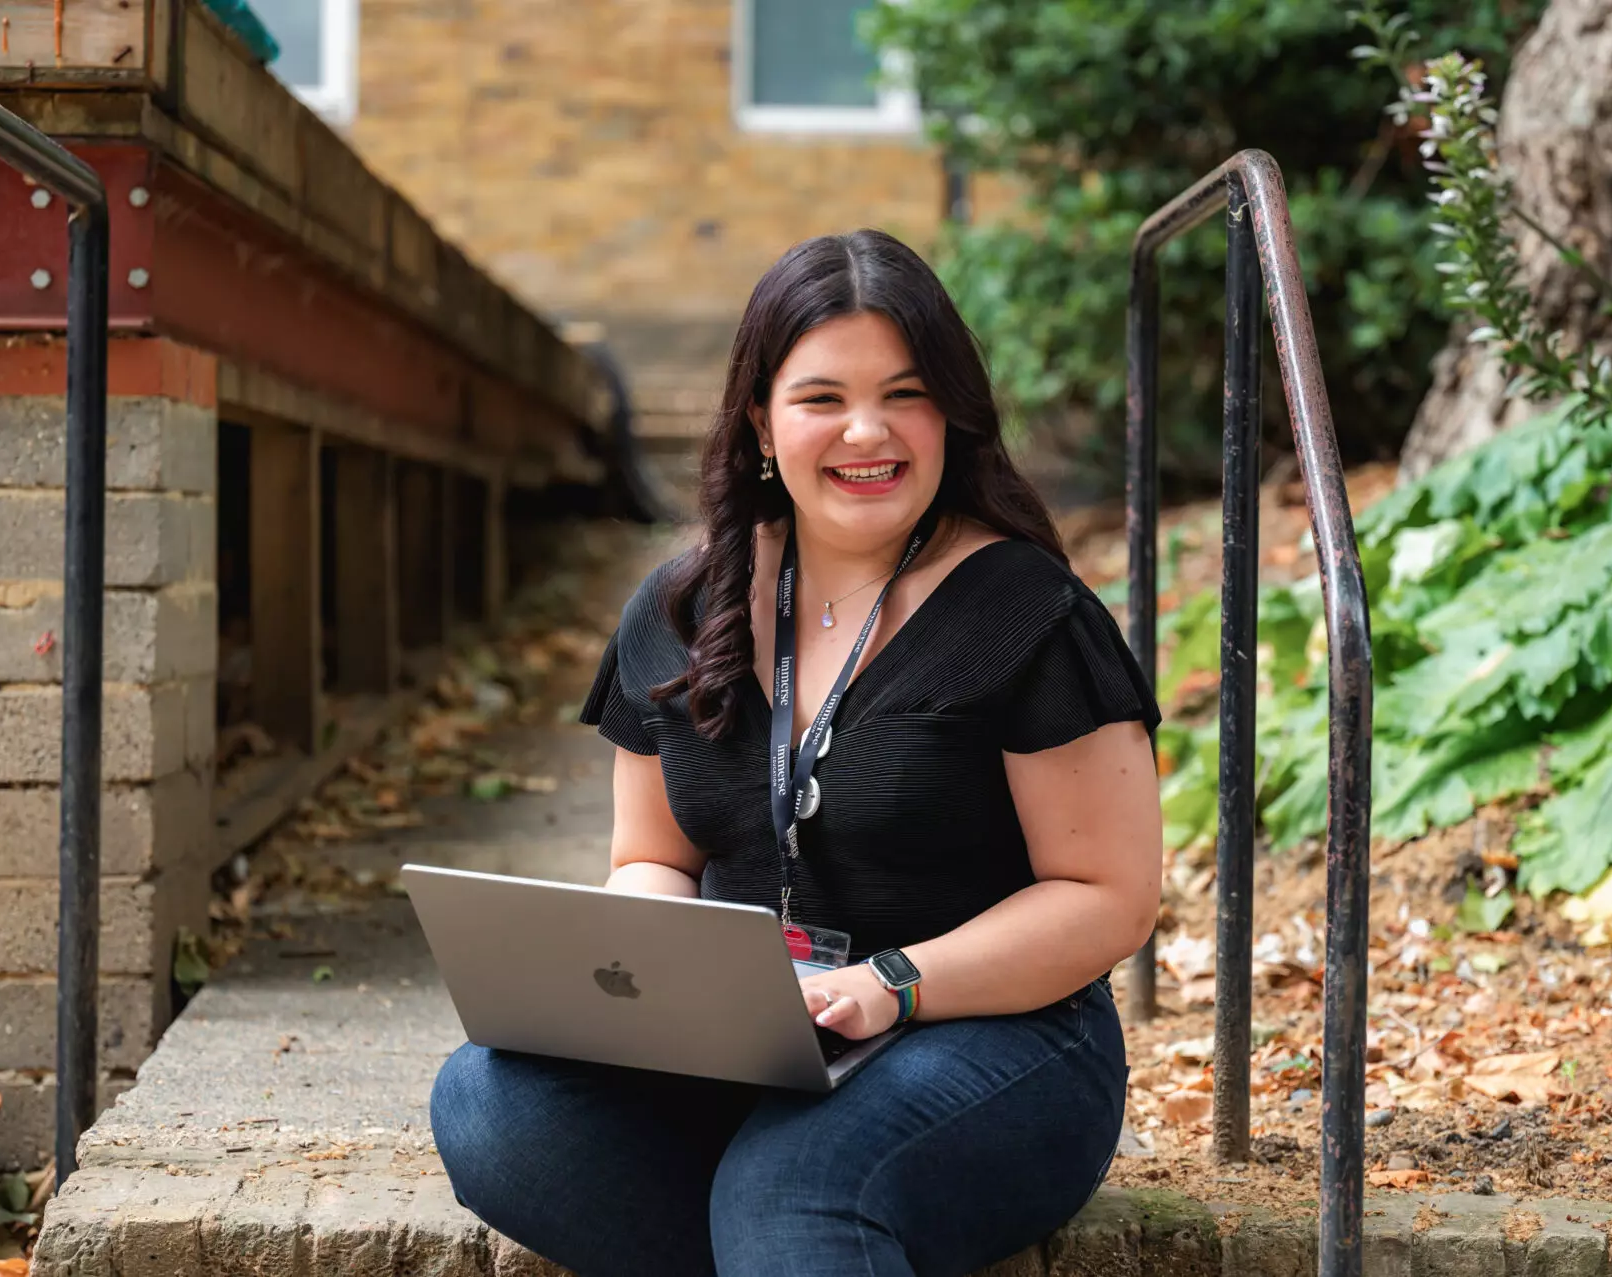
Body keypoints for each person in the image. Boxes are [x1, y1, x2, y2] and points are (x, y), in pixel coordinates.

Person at [429, 229, 1164, 1277]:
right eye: (822, 398)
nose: (868, 430)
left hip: (992, 1037)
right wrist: (639, 982)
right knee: (492, 1102)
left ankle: (788, 1226)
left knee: (798, 1183)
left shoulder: (1030, 614)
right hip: (758, 1041)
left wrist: (892, 984)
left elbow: (1109, 896)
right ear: (761, 426)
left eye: (904, 394)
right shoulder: (681, 606)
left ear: (950, 414)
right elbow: (654, 857)